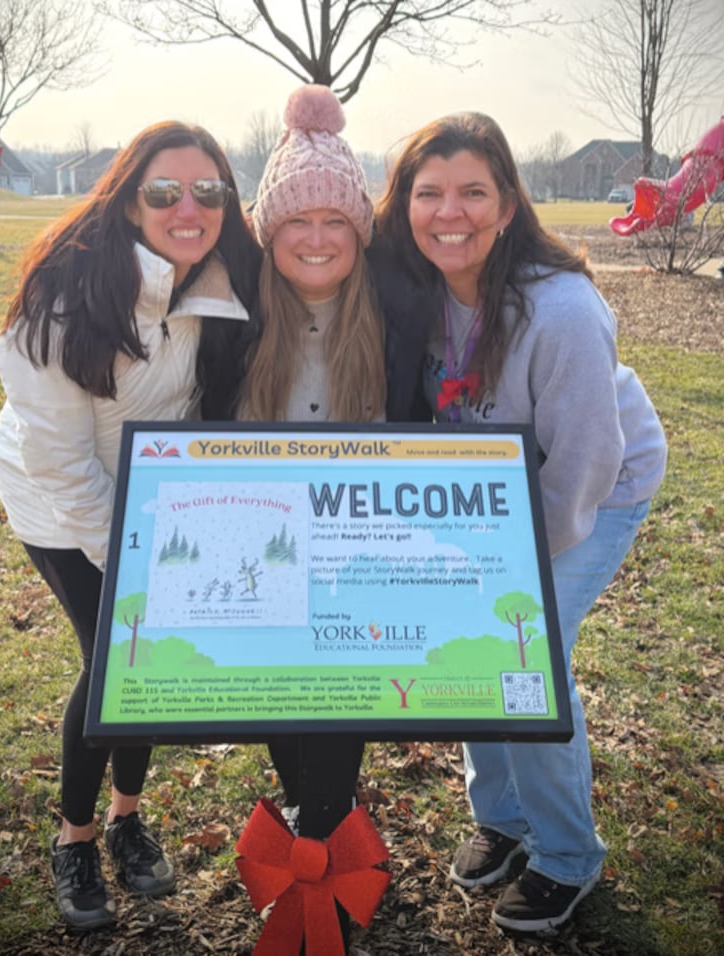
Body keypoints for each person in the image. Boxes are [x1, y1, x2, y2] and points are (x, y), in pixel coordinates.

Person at [372, 112, 667, 933]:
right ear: (404, 206)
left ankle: (567, 855)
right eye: (429, 193)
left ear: (508, 205)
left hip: (596, 487)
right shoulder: (416, 289)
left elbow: (582, 468)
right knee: (468, 653)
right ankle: (501, 818)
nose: (450, 212)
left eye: (474, 191)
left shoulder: (563, 313)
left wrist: (507, 576)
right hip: (490, 499)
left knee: (519, 665)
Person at [0, 120, 261, 930]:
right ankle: (74, 839)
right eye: (164, 191)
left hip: (155, 493)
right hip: (55, 496)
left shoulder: (223, 273)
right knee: (117, 656)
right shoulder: (64, 297)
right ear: (129, 198)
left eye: (208, 190)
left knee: (150, 661)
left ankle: (126, 818)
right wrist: (141, 571)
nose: (189, 207)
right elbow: (65, 466)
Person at [238, 83, 386, 946]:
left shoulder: (393, 324)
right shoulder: (238, 326)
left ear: (360, 234)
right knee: (277, 706)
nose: (320, 237)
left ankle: (322, 866)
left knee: (338, 707)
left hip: (360, 555)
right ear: (271, 231)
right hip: (261, 550)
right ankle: (310, 809)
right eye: (299, 220)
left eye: (338, 219)